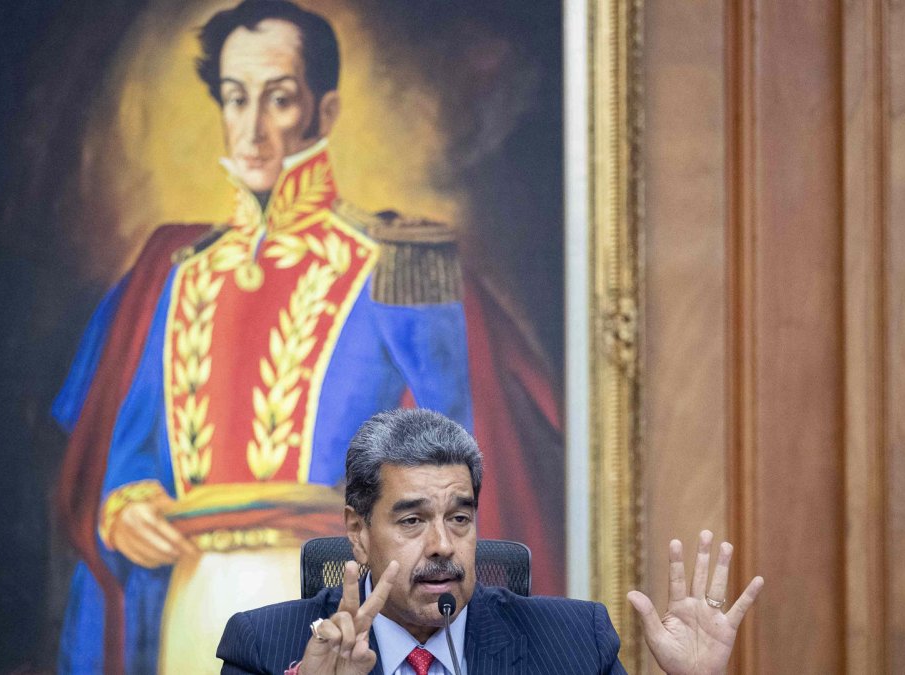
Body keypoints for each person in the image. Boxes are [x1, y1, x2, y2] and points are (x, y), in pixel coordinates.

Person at [53, 1, 565, 673]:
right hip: (190, 605)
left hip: (342, 611)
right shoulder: (176, 274)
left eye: (280, 99)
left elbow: (461, 468)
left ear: (322, 113)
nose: (253, 128)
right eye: (237, 99)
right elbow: (132, 450)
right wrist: (127, 504)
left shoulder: (397, 265)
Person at [217, 408, 765, 674]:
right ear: (359, 533)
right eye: (411, 522)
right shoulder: (266, 646)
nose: (442, 546)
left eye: (459, 518)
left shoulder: (574, 645)